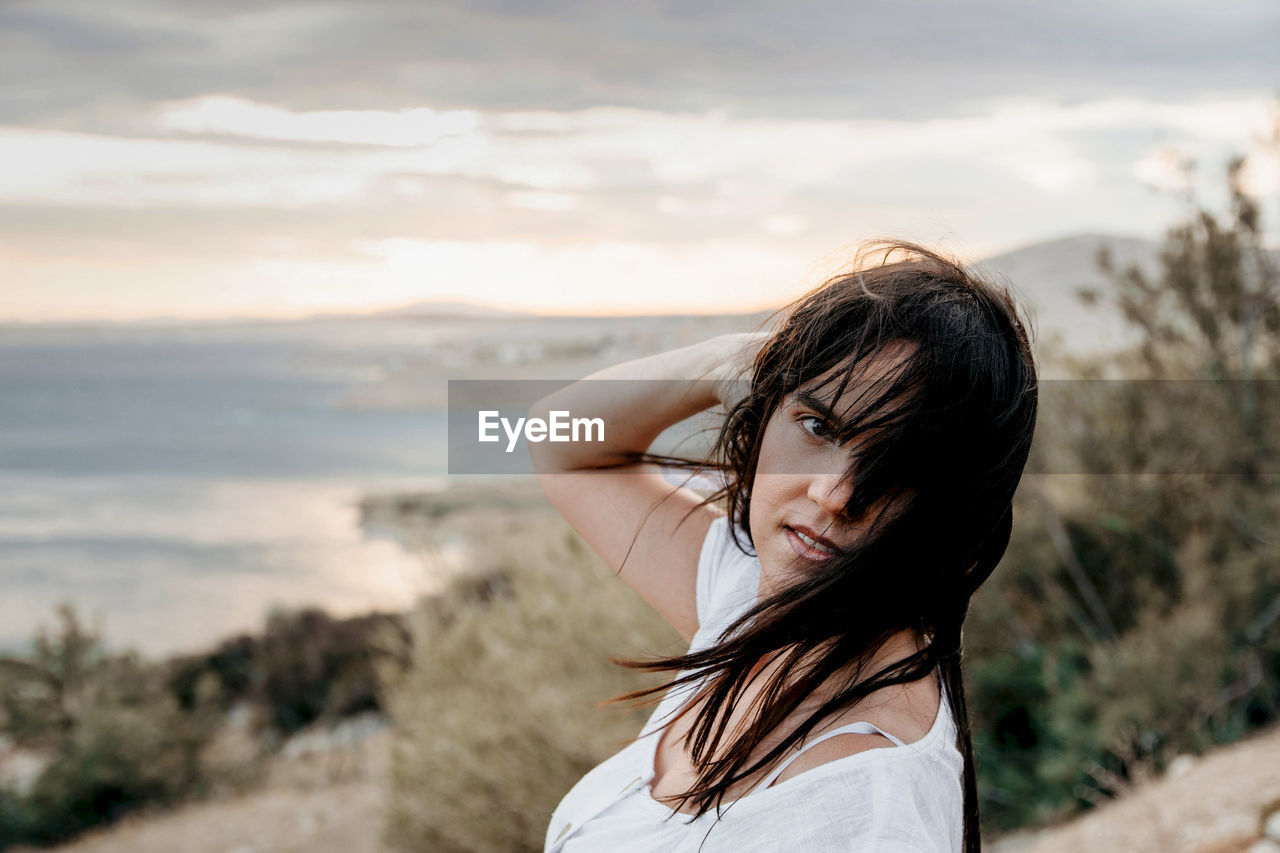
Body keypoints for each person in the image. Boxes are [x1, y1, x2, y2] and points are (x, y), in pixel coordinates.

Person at [529, 241, 1039, 852]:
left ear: (955, 506)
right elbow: (557, 438)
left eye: (901, 465)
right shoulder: (752, 601)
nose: (833, 494)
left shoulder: (866, 816)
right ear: (765, 413)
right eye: (818, 426)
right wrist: (736, 360)